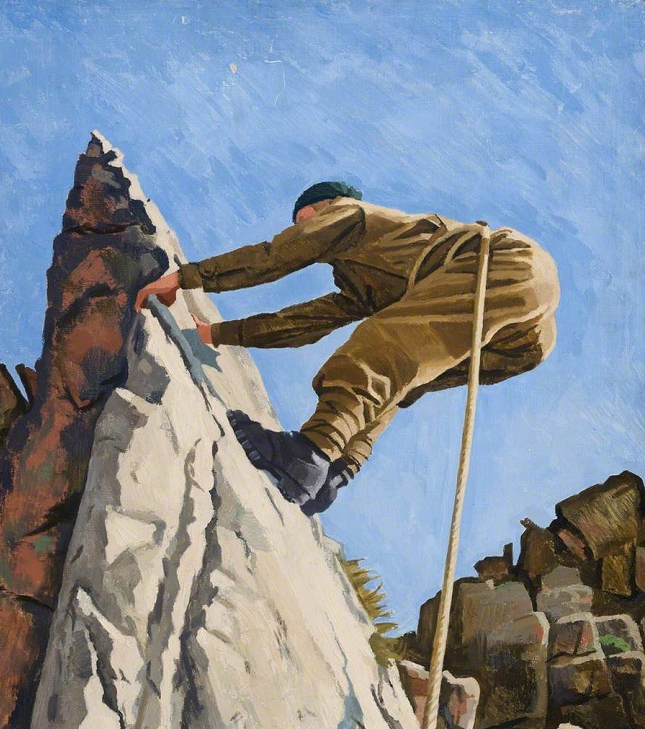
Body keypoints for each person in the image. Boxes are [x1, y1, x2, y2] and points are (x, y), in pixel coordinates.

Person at [135, 181, 560, 515]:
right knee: (400, 379)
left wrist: (187, 277)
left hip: (504, 261)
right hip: (525, 341)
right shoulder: (368, 279)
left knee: (382, 347)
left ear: (321, 206)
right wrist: (218, 334)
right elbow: (304, 322)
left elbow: (275, 255)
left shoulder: (349, 213)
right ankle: (334, 474)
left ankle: (308, 457)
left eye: (302, 219)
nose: (299, 228)